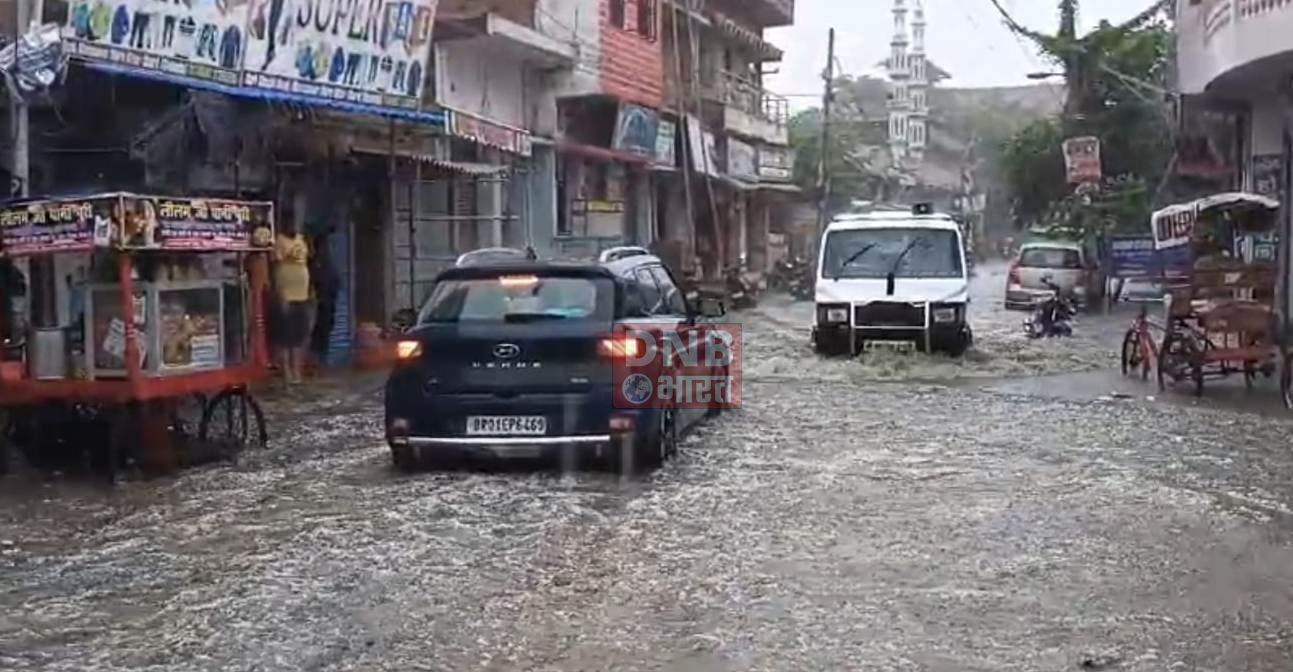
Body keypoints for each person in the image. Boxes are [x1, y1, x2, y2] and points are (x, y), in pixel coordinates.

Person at [273, 219, 311, 385]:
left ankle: (297, 371)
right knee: (285, 337)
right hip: (287, 294)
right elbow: (276, 268)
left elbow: (306, 263)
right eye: (291, 223)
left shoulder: (301, 239)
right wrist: (280, 294)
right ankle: (287, 372)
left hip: (302, 294)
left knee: (299, 336)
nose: (294, 226)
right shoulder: (279, 241)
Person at [309, 227, 340, 368]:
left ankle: (321, 362)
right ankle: (315, 362)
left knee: (325, 332)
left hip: (328, 303)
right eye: (323, 245)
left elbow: (336, 282)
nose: (325, 248)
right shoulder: (314, 263)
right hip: (316, 304)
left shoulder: (329, 263)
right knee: (317, 333)